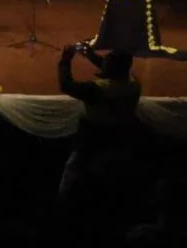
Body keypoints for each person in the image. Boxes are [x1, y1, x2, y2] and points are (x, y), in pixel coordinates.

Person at [57, 45, 141, 200]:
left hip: (93, 137)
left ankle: (65, 200)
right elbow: (117, 70)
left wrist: (65, 60)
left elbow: (66, 85)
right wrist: (91, 55)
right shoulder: (134, 84)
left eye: (107, 61)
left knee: (73, 169)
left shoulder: (98, 89)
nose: (104, 62)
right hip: (122, 135)